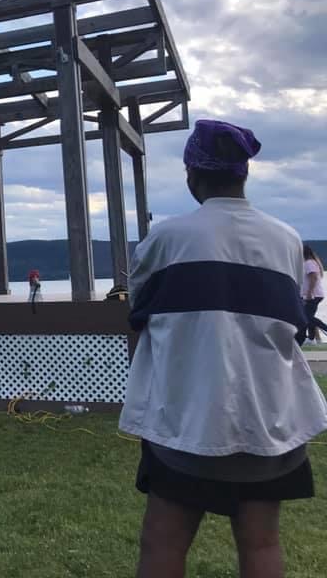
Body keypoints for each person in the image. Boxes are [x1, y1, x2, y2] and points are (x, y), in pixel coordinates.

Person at [121, 119, 327, 578]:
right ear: (244, 173)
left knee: (162, 543)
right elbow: (290, 322)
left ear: (192, 174)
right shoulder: (287, 239)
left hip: (186, 419)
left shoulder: (166, 239)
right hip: (270, 418)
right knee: (261, 544)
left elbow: (140, 310)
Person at [299, 244, 326, 345]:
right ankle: (311, 339)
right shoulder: (309, 262)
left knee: (307, 317)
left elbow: (313, 278)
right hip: (313, 295)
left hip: (313, 295)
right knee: (308, 317)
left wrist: (309, 293)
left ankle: (311, 338)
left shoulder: (309, 263)